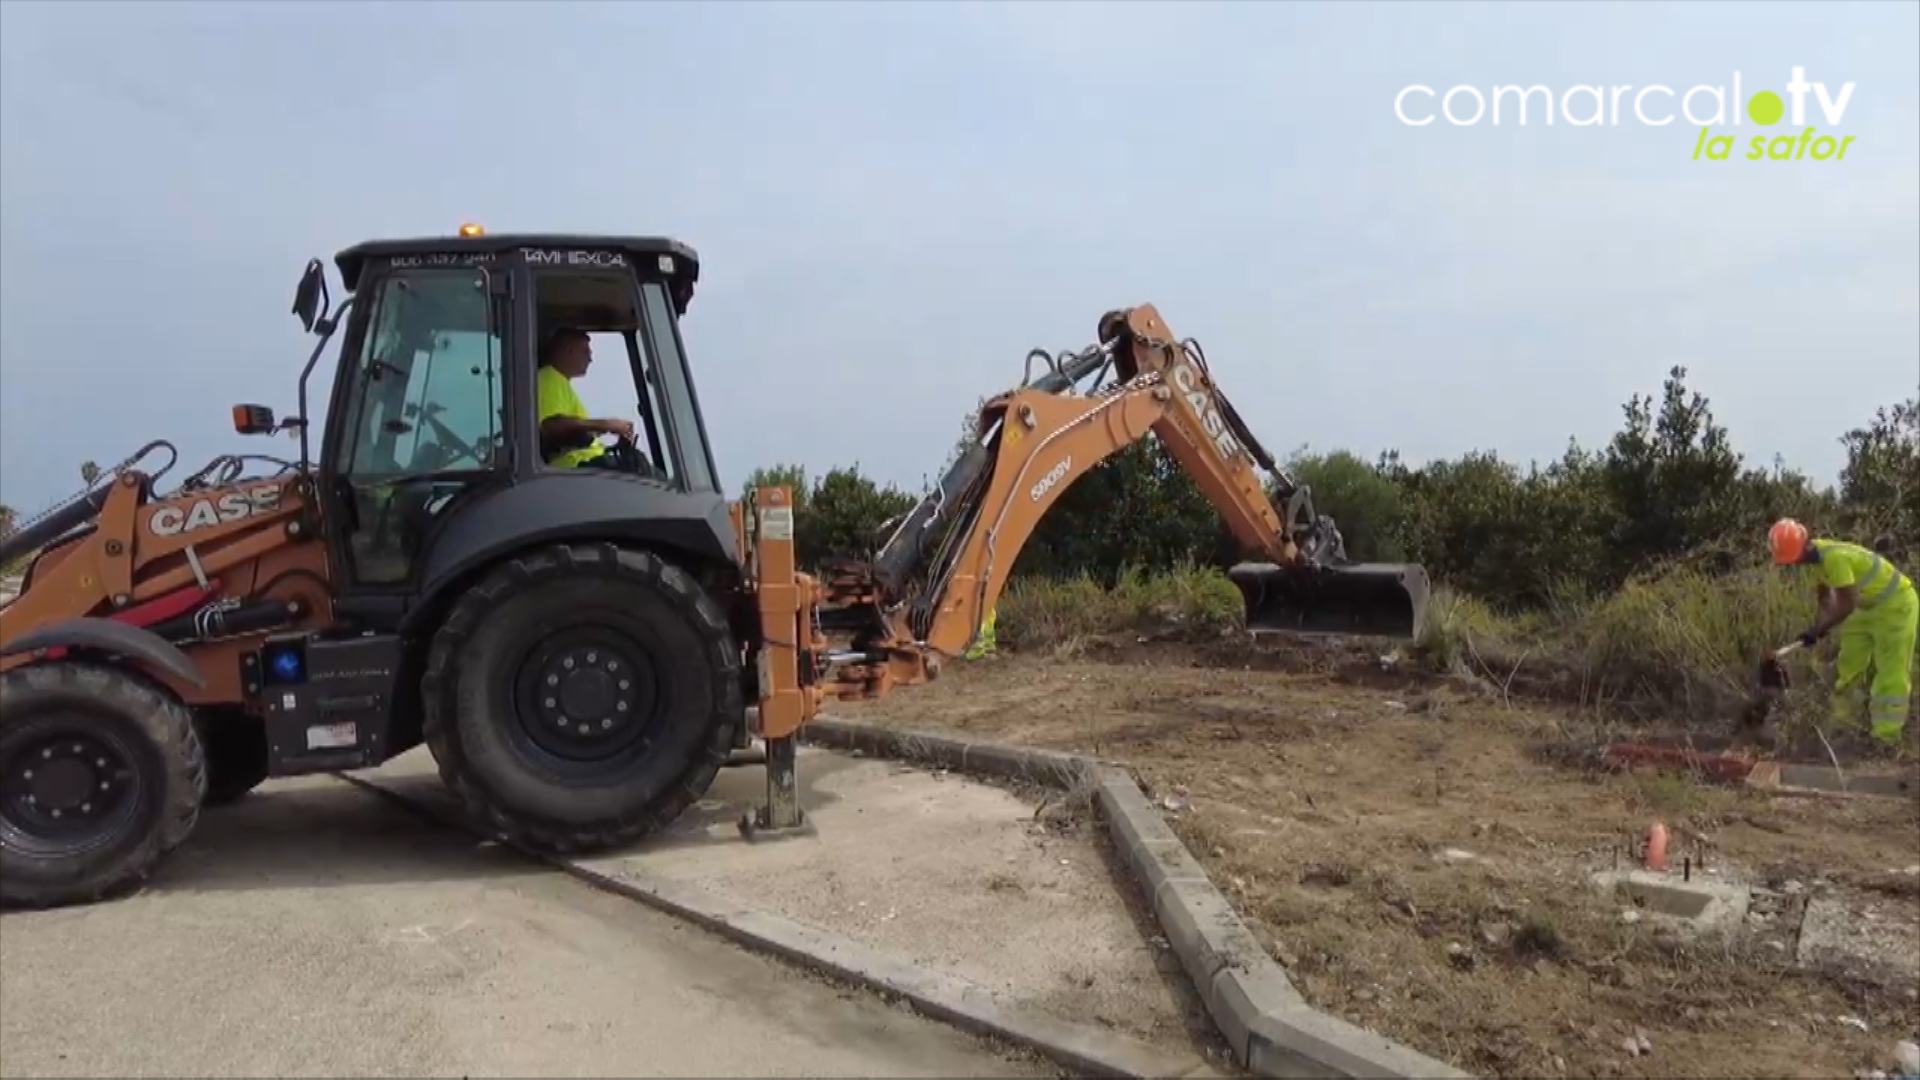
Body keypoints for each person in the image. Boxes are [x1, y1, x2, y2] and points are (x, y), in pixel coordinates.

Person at [1770, 518, 1916, 749]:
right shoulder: (1817, 559)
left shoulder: (1834, 558)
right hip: (1864, 608)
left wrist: (1819, 629)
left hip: (1895, 606)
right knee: (1849, 667)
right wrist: (1822, 624)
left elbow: (1846, 606)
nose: (1796, 563)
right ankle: (1843, 729)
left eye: (1796, 558)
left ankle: (1886, 739)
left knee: (1890, 671)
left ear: (1805, 545)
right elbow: (1826, 596)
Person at [535, 328, 649, 474]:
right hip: (575, 468)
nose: (590, 359)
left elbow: (574, 434)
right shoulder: (549, 379)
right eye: (585, 352)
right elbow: (550, 425)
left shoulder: (561, 383)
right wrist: (607, 425)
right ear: (568, 351)